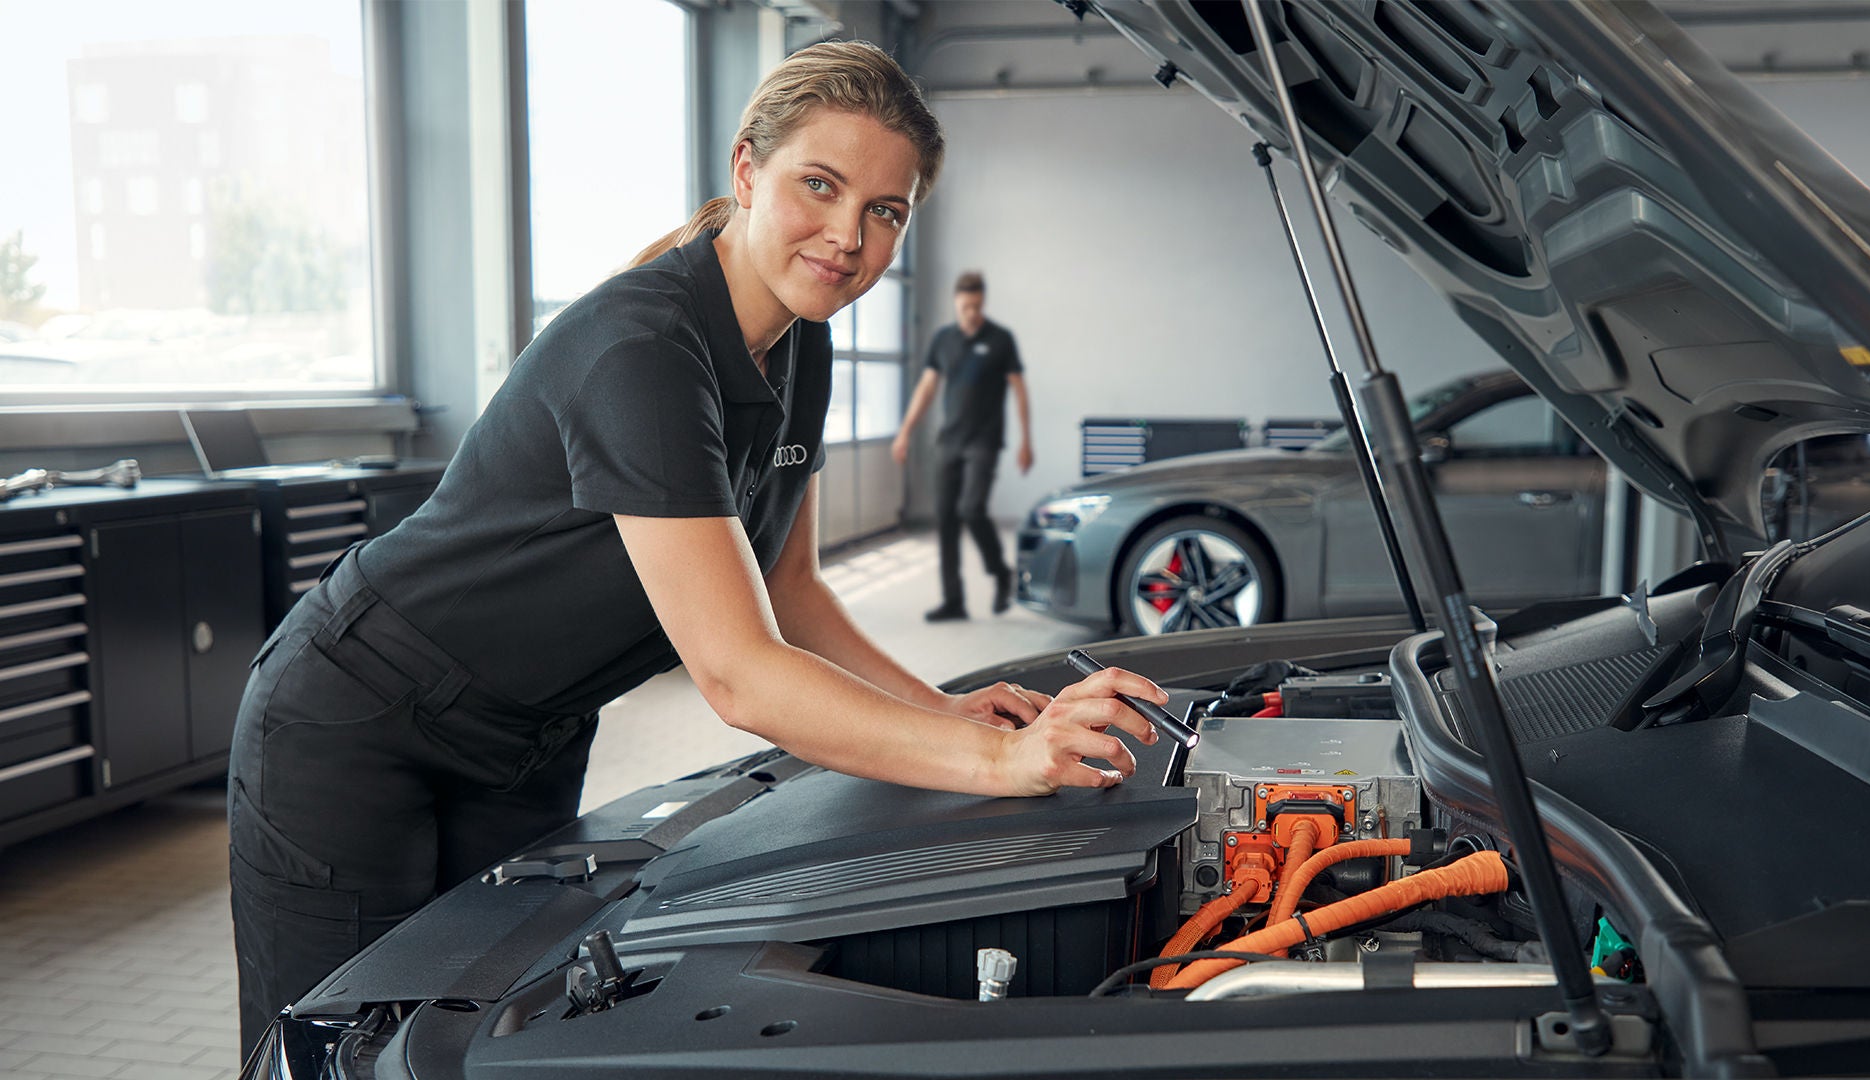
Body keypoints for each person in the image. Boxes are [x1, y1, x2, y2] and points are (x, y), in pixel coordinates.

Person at [225, 40, 1166, 1058]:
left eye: (885, 211)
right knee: (336, 1048)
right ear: (747, 169)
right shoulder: (647, 349)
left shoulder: (802, 345)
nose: (849, 235)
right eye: (822, 184)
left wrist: (933, 713)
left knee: (474, 1042)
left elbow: (790, 591)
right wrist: (1000, 759)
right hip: (360, 719)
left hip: (525, 737)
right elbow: (739, 675)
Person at [892, 271, 1033, 621]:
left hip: (984, 442)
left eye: (977, 306)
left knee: (972, 509)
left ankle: (1001, 573)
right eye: (966, 306)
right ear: (957, 303)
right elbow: (927, 387)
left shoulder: (1000, 339)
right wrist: (906, 431)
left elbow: (1019, 389)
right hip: (949, 442)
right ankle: (953, 600)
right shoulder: (944, 340)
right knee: (947, 520)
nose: (971, 312)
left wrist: (1026, 440)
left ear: (983, 302)